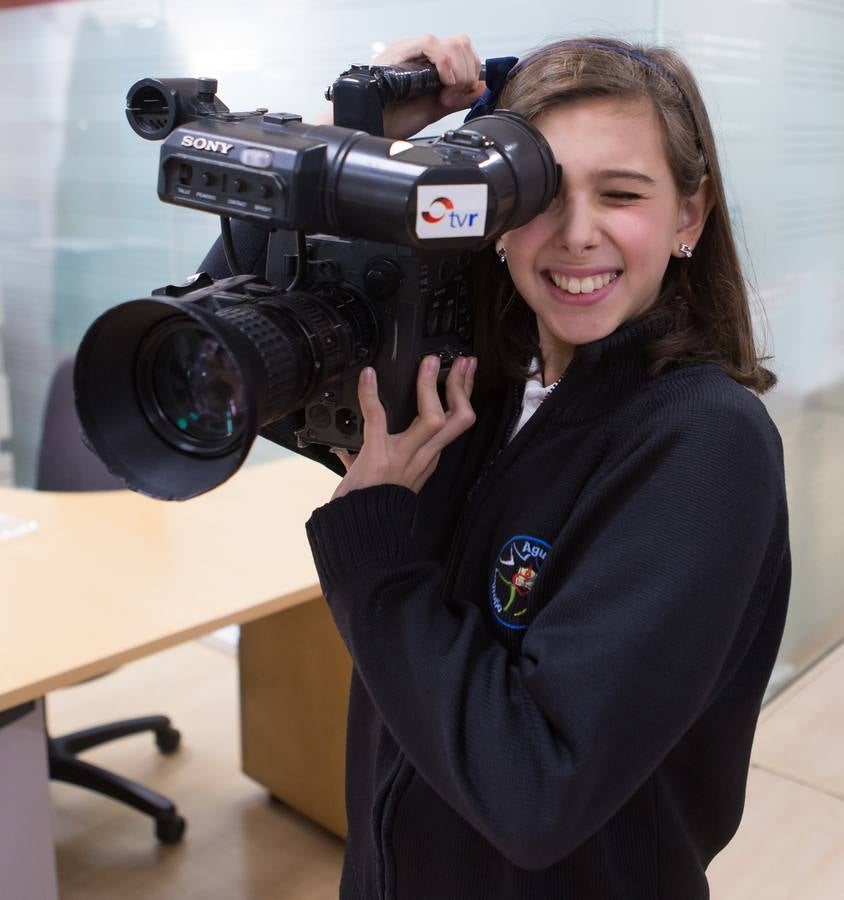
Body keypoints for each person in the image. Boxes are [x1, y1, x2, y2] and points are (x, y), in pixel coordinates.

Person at [204, 33, 791, 900]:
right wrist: (352, 145)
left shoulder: (705, 444)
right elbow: (240, 348)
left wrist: (376, 557)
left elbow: (537, 792)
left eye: (622, 194)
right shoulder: (470, 384)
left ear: (688, 217)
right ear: (493, 214)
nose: (578, 235)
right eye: (543, 196)